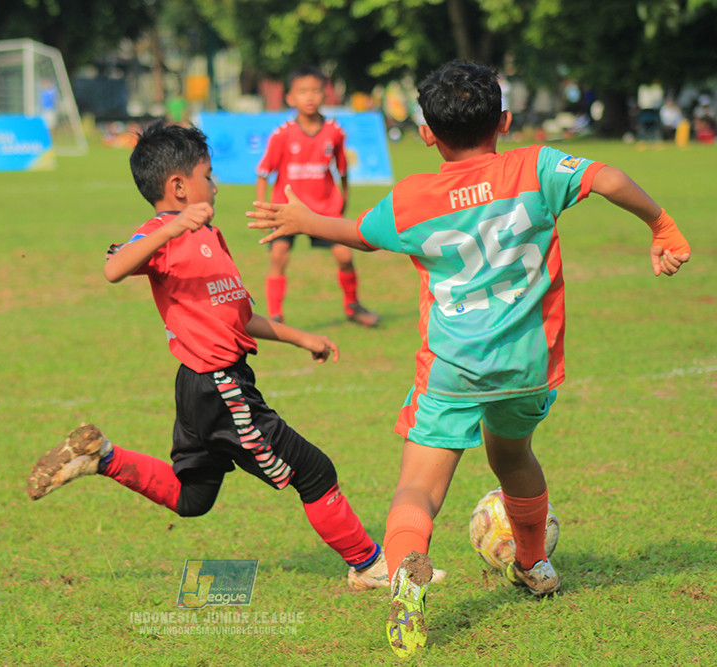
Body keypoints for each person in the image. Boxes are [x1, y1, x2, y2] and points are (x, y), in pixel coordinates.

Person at [247, 60, 692, 658]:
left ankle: (407, 578)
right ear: (504, 120)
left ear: (427, 133)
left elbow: (361, 234)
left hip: (452, 369)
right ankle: (533, 564)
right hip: (526, 365)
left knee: (418, 489)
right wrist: (660, 224)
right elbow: (609, 178)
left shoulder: (411, 199)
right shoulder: (534, 168)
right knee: (513, 458)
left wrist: (304, 219)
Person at [27, 121, 405, 593]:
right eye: (209, 174)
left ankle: (102, 457)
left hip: (203, 386)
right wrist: (171, 230)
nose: (217, 183)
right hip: (219, 385)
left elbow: (238, 315)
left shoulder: (210, 235)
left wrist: (299, 336)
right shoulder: (162, 232)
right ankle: (368, 564)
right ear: (178, 186)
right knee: (313, 470)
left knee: (193, 497)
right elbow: (113, 269)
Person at [255, 65, 380, 327]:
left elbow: (342, 170)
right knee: (278, 256)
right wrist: (264, 208)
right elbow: (264, 173)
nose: (309, 97)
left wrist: (343, 198)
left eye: (315, 90)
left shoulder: (334, 131)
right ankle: (276, 318)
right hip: (287, 209)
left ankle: (353, 307)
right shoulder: (282, 134)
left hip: (323, 209)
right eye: (302, 91)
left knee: (345, 256)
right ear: (290, 98)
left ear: (325, 94)